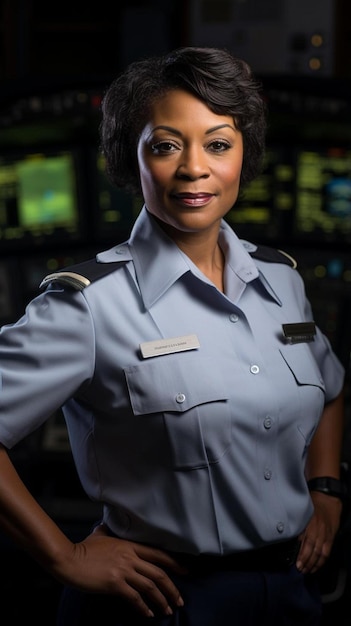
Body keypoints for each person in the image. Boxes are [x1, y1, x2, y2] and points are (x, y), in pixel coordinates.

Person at [0, 46, 346, 626]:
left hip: (291, 594)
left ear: (244, 156)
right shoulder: (87, 304)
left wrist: (328, 491)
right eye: (165, 145)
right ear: (129, 160)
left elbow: (331, 388)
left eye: (218, 144)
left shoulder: (282, 281)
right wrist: (64, 556)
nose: (193, 168)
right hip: (163, 602)